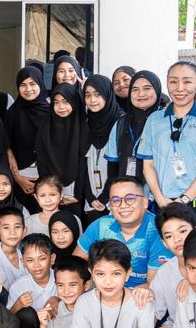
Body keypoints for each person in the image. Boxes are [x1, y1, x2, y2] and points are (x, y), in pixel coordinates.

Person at [140, 62, 196, 224]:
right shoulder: (154, 119)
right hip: (161, 203)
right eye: (173, 81)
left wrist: (183, 199)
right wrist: (160, 199)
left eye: (187, 81)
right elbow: (148, 165)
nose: (179, 88)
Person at [74, 176, 169, 286]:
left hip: (140, 293)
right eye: (116, 200)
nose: (123, 205)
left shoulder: (158, 230)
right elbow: (75, 266)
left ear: (144, 202)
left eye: (130, 198)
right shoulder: (100, 225)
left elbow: (154, 284)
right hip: (104, 289)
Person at [35, 83, 90, 212]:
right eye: (56, 102)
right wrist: (50, 191)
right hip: (51, 193)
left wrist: (77, 194)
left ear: (74, 102)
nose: (61, 107)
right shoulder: (45, 128)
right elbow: (41, 161)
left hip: (76, 193)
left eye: (65, 101)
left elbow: (84, 163)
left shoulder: (84, 128)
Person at [104, 69, 162, 188]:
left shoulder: (167, 122)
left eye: (147, 88)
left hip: (159, 194)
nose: (141, 94)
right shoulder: (121, 123)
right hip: (127, 194)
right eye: (135, 89)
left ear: (157, 90)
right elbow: (113, 166)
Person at [4, 66, 50, 208]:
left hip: (48, 179)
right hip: (20, 178)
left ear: (40, 84)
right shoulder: (12, 114)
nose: (28, 89)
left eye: (32, 84)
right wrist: (17, 178)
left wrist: (46, 181)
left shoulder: (51, 113)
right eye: (23, 85)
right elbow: (6, 146)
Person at [5, 234, 58, 328]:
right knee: (27, 314)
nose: (36, 265)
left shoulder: (62, 279)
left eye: (42, 258)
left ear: (52, 258)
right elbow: (5, 321)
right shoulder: (18, 286)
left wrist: (58, 300)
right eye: (30, 260)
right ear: (23, 262)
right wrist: (17, 305)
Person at [83, 75, 123, 224]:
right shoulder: (86, 121)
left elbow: (120, 166)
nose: (92, 100)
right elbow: (82, 162)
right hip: (92, 199)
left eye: (97, 94)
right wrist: (90, 197)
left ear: (107, 94)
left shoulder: (121, 122)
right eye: (87, 95)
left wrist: (104, 196)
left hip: (114, 198)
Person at [0, 206, 30, 289]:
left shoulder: (29, 255)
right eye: (6, 227)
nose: (12, 232)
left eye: (17, 227)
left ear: (24, 231)